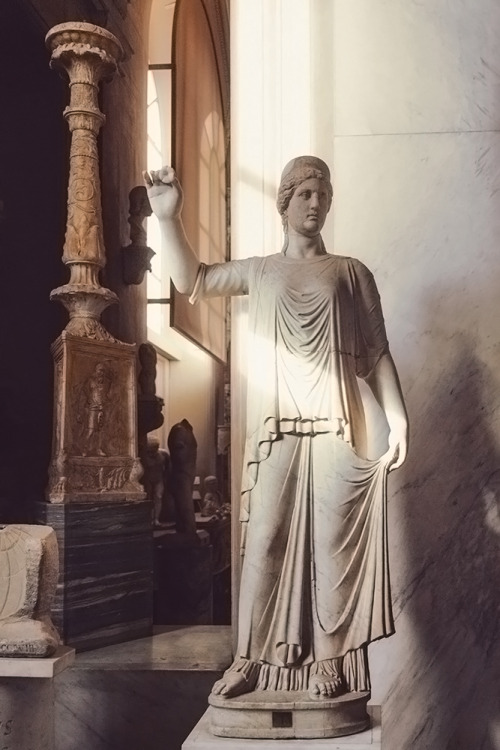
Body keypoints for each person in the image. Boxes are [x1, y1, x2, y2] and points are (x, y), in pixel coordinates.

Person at [144, 157, 408, 701]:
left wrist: (399, 418)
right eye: (305, 193)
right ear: (285, 201)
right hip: (278, 430)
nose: (315, 202)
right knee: (263, 542)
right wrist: (168, 219)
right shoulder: (261, 270)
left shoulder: (351, 272)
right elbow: (192, 280)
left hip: (334, 423)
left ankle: (329, 660)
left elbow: (377, 353)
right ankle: (251, 658)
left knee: (333, 546)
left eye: (323, 193)